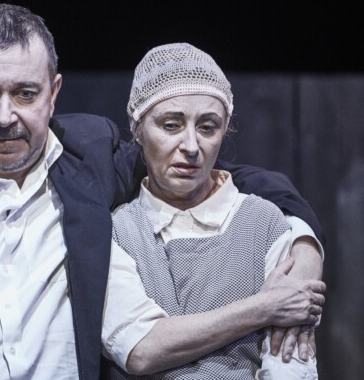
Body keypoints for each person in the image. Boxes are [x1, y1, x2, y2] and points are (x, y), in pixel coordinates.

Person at [0, 4, 325, 380]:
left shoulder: (90, 156)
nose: (5, 116)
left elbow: (230, 176)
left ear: (53, 93)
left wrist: (302, 253)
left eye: (25, 93)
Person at [101, 43, 324, 378]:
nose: (191, 146)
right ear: (138, 130)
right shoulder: (117, 231)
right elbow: (137, 347)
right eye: (171, 125)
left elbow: (290, 363)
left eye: (207, 127)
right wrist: (264, 307)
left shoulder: (264, 222)